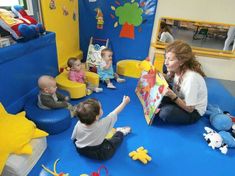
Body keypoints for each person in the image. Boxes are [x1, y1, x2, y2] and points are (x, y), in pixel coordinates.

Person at [156, 40, 208, 124]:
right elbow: (168, 79)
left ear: (181, 61)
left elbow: (190, 109)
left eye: (170, 60)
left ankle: (164, 107)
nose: (166, 62)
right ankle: (164, 105)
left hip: (193, 112)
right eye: (166, 58)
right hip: (180, 99)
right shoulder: (177, 69)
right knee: (160, 88)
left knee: (165, 113)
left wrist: (172, 96)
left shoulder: (191, 79)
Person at [71, 95, 131, 160]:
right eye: (101, 108)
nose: (102, 109)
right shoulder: (102, 124)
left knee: (76, 140)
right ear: (96, 116)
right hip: (97, 151)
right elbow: (115, 113)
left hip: (80, 149)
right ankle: (121, 132)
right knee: (113, 143)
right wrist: (124, 103)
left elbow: (73, 136)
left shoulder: (79, 123)